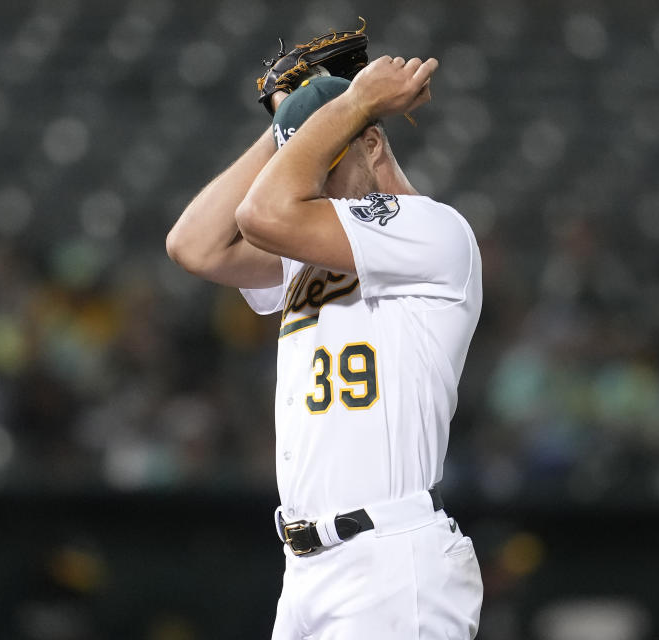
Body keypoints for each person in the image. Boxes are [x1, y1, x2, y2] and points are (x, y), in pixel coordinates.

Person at [166, 55, 484, 639]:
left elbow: (261, 213)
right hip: (306, 568)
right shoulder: (308, 251)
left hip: (389, 562)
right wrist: (292, 121)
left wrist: (354, 103)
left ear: (373, 145)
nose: (313, 180)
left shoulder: (435, 232)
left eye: (326, 160)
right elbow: (194, 246)